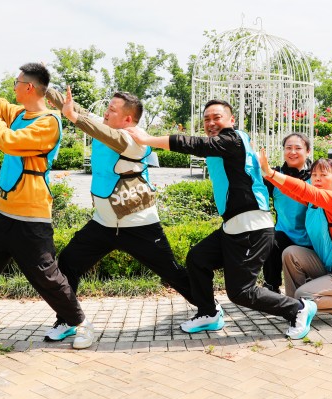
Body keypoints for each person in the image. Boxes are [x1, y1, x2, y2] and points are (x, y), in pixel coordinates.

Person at [127, 100, 317, 339]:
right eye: (206, 119)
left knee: (241, 292)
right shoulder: (228, 144)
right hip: (233, 226)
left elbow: (193, 144)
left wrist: (147, 139)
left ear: (231, 120)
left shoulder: (232, 140)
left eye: (217, 117)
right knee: (198, 259)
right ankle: (209, 313)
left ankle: (298, 308)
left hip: (252, 228)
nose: (211, 123)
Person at [0, 58, 94, 349]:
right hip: (2, 212)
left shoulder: (48, 123)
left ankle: (79, 323)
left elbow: (9, 141)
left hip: (31, 215)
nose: (13, 87)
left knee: (46, 277)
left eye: (16, 83)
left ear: (29, 87)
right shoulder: (19, 113)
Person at [43, 86, 195, 341]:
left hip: (139, 225)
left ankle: (210, 309)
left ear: (127, 118)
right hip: (103, 224)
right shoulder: (105, 127)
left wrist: (74, 118)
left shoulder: (133, 141)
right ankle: (68, 319)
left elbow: (95, 128)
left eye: (112, 110)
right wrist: (45, 88)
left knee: (172, 273)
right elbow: (78, 110)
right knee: (68, 262)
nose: (106, 112)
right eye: (107, 107)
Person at [258, 151, 332, 326]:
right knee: (291, 253)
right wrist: (267, 175)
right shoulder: (315, 202)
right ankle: (295, 309)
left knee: (304, 295)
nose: (317, 179)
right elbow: (293, 192)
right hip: (330, 267)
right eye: (314, 175)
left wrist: (271, 172)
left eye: (323, 175)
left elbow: (303, 189)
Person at [262, 133, 313, 294]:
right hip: (285, 235)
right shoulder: (274, 176)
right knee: (270, 239)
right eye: (288, 148)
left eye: (298, 148)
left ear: (308, 151)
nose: (292, 152)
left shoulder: (316, 175)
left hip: (313, 238)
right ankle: (271, 286)